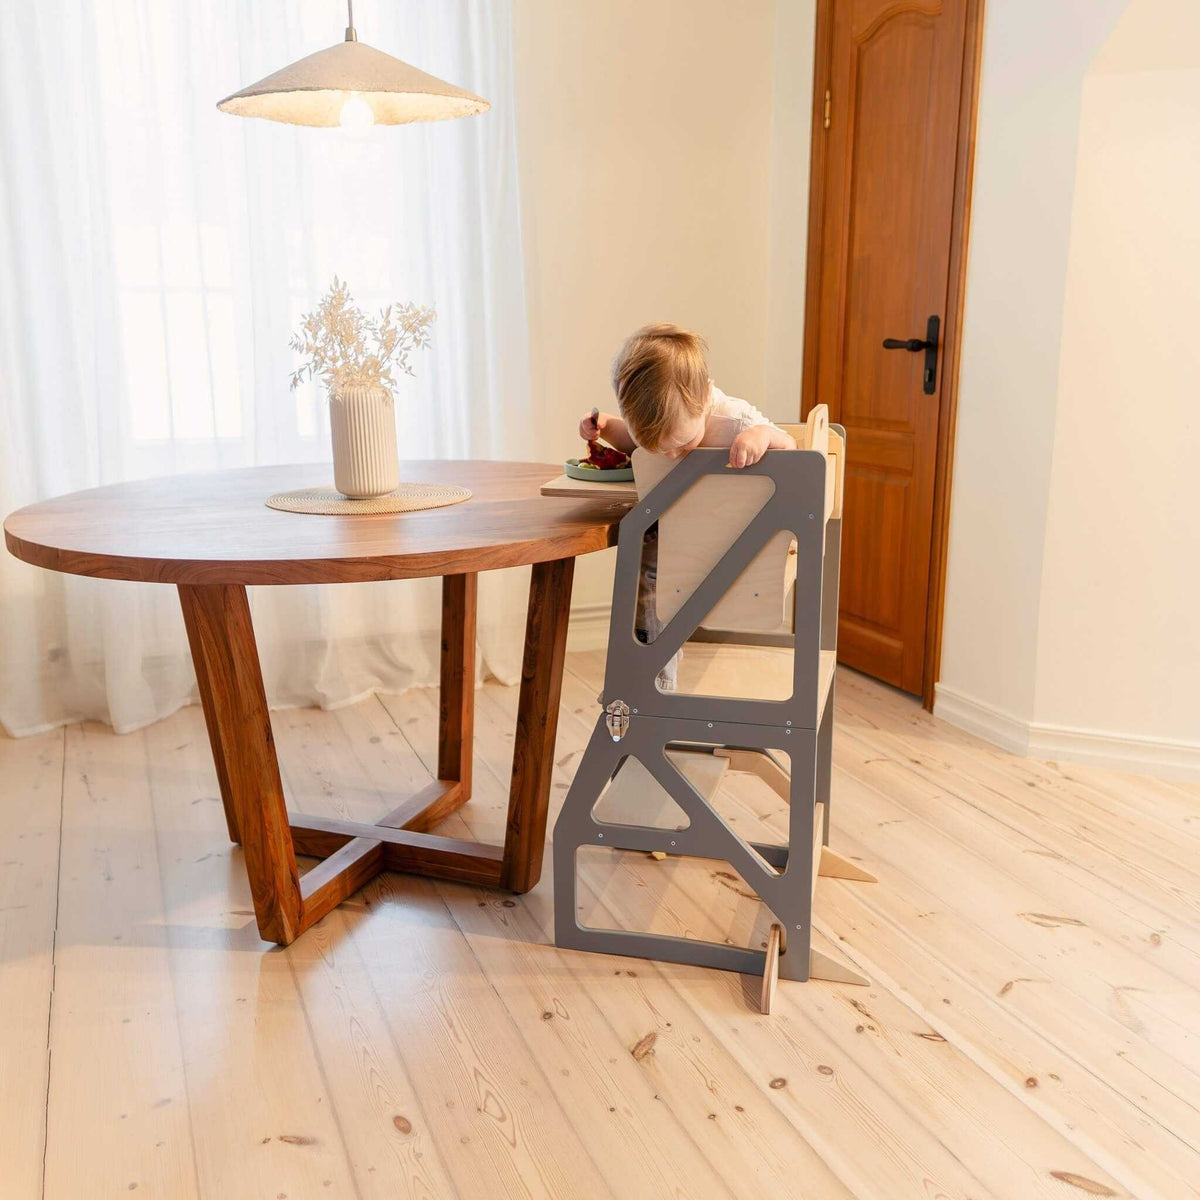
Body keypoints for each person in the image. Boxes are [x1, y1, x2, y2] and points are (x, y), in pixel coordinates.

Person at [579, 323, 795, 689]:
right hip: (670, 535)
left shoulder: (733, 419)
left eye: (681, 444)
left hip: (733, 537)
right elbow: (630, 440)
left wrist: (761, 437)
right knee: (645, 585)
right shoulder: (661, 423)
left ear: (704, 397)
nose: (672, 455)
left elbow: (791, 451)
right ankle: (655, 681)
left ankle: (655, 672)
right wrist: (602, 429)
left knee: (664, 578)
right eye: (657, 448)